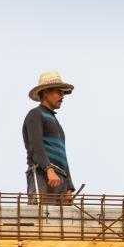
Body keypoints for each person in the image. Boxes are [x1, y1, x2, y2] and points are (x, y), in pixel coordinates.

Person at [22, 71, 75, 204]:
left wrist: (69, 186)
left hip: (59, 178)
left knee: (62, 222)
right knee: (42, 216)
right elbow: (36, 146)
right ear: (46, 92)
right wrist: (48, 169)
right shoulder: (36, 115)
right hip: (43, 175)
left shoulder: (56, 123)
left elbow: (63, 156)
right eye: (58, 92)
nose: (62, 96)